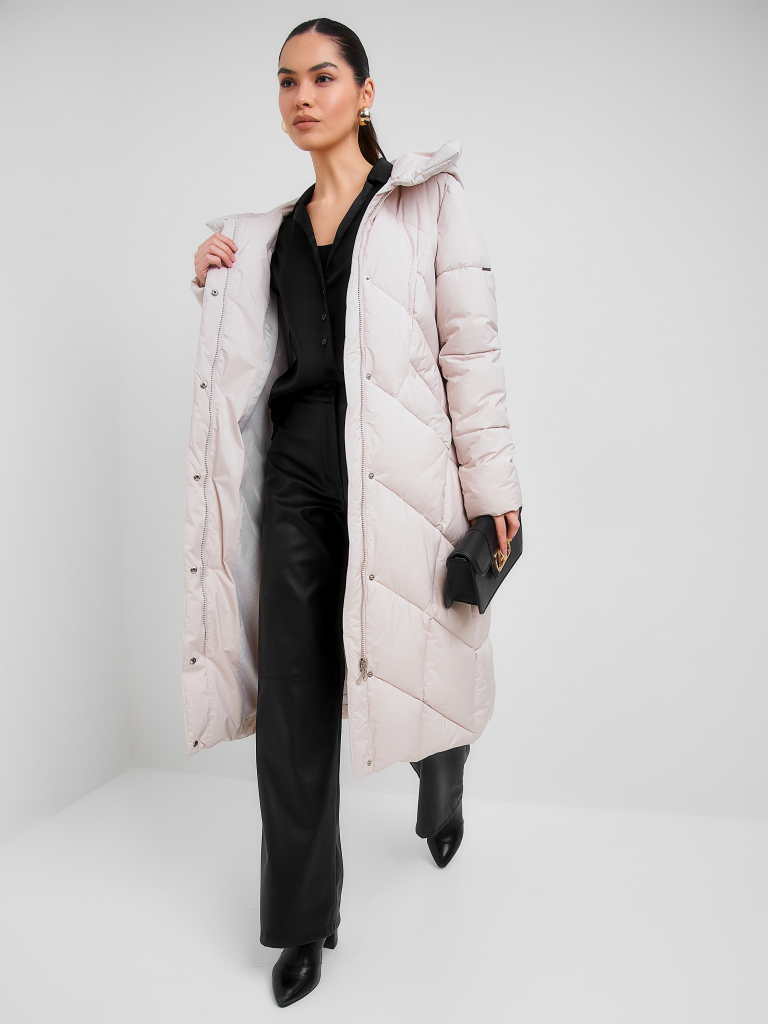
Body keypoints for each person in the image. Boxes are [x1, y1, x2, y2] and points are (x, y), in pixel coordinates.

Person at [186, 17, 522, 1009]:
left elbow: (471, 351)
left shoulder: (427, 202)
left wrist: (495, 492)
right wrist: (209, 278)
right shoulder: (266, 235)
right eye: (287, 80)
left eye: (324, 77)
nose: (303, 97)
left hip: (403, 474)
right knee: (295, 692)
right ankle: (301, 919)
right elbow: (246, 355)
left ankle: (442, 772)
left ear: (365, 93)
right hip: (297, 476)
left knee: (425, 648)